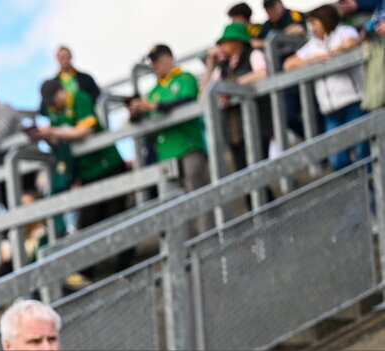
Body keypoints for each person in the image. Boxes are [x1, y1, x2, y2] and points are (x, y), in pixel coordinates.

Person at [130, 44, 211, 221]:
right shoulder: (153, 92)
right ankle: (187, 247)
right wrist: (136, 112)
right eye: (152, 62)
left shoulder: (185, 78)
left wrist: (155, 106)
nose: (154, 65)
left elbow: (188, 100)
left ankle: (210, 241)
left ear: (169, 58)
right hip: (166, 154)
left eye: (157, 60)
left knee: (198, 196)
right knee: (176, 207)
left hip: (189, 147)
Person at [34, 79, 126, 232]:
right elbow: (58, 140)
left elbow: (86, 130)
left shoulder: (79, 97)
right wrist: (45, 136)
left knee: (115, 217)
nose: (52, 105)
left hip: (107, 165)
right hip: (86, 172)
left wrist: (53, 132)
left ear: (60, 92)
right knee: (91, 225)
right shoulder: (53, 111)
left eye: (52, 100)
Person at [285, 4, 368, 170]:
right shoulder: (313, 44)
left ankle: (372, 190)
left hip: (354, 103)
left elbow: (352, 43)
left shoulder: (344, 31)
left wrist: (331, 54)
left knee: (362, 152)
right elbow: (289, 64)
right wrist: (313, 60)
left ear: (325, 20)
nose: (312, 27)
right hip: (330, 110)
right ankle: (359, 186)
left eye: (314, 22)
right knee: (337, 159)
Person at [203, 23, 273, 173]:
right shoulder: (223, 66)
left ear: (237, 41)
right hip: (234, 132)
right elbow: (207, 92)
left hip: (258, 125)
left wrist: (232, 87)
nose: (222, 46)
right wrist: (210, 64)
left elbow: (262, 74)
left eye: (226, 42)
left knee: (258, 173)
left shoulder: (254, 54)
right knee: (244, 174)